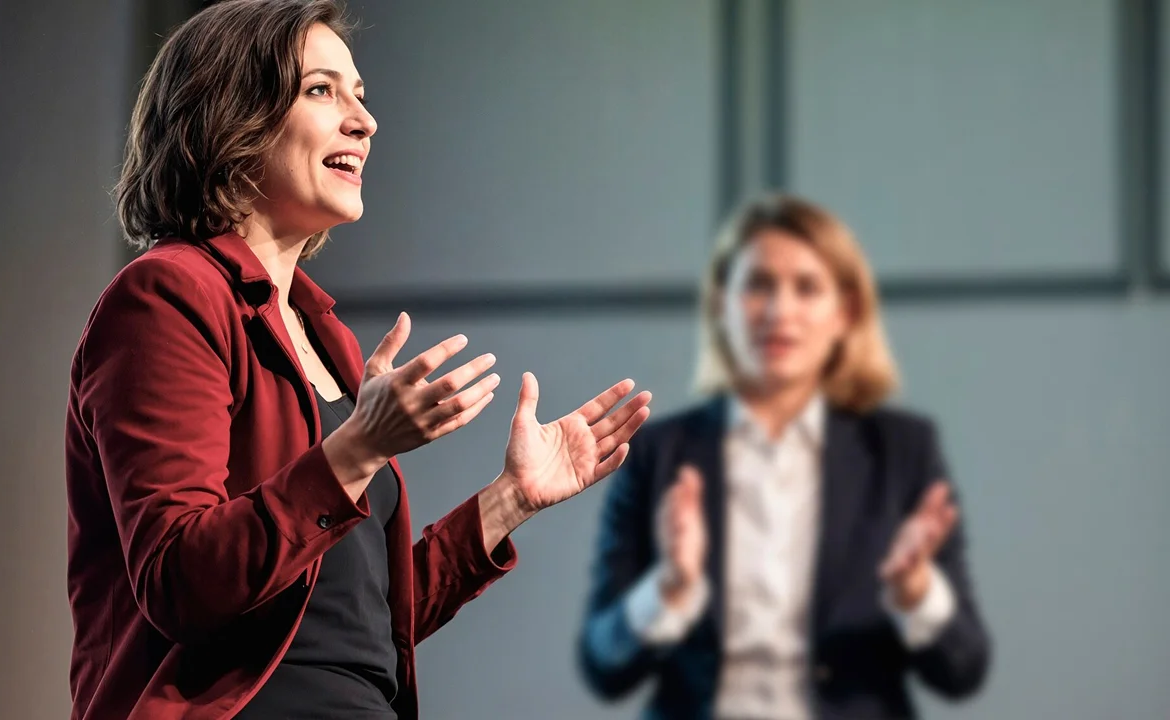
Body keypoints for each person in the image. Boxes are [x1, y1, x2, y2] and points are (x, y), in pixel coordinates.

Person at [63, 1, 652, 718]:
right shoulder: (168, 295)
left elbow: (359, 621)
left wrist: (510, 500)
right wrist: (359, 448)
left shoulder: (325, 337)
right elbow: (181, 581)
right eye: (322, 90)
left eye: (362, 96)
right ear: (229, 116)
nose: (365, 121)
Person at [577, 194, 991, 719]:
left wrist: (915, 593)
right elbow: (603, 668)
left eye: (807, 287)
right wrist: (669, 589)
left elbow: (964, 668)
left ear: (845, 313)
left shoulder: (903, 449)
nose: (779, 312)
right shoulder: (657, 453)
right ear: (721, 305)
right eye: (758, 285)